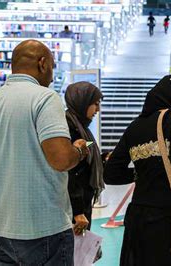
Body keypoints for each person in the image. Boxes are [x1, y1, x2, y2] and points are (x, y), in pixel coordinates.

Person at [0, 40, 89, 265]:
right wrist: (79, 150)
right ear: (42, 63)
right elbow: (62, 159)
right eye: (53, 67)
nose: (53, 76)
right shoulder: (45, 97)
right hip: (42, 228)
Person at [104, 72, 171, 266]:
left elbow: (111, 173)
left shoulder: (135, 125)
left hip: (138, 217)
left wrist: (142, 174)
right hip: (168, 219)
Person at [65, 81, 105, 236]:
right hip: (73, 205)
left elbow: (84, 161)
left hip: (82, 199)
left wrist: (102, 159)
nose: (98, 109)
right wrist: (78, 211)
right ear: (82, 102)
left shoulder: (82, 127)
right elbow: (69, 170)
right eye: (95, 104)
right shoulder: (68, 127)